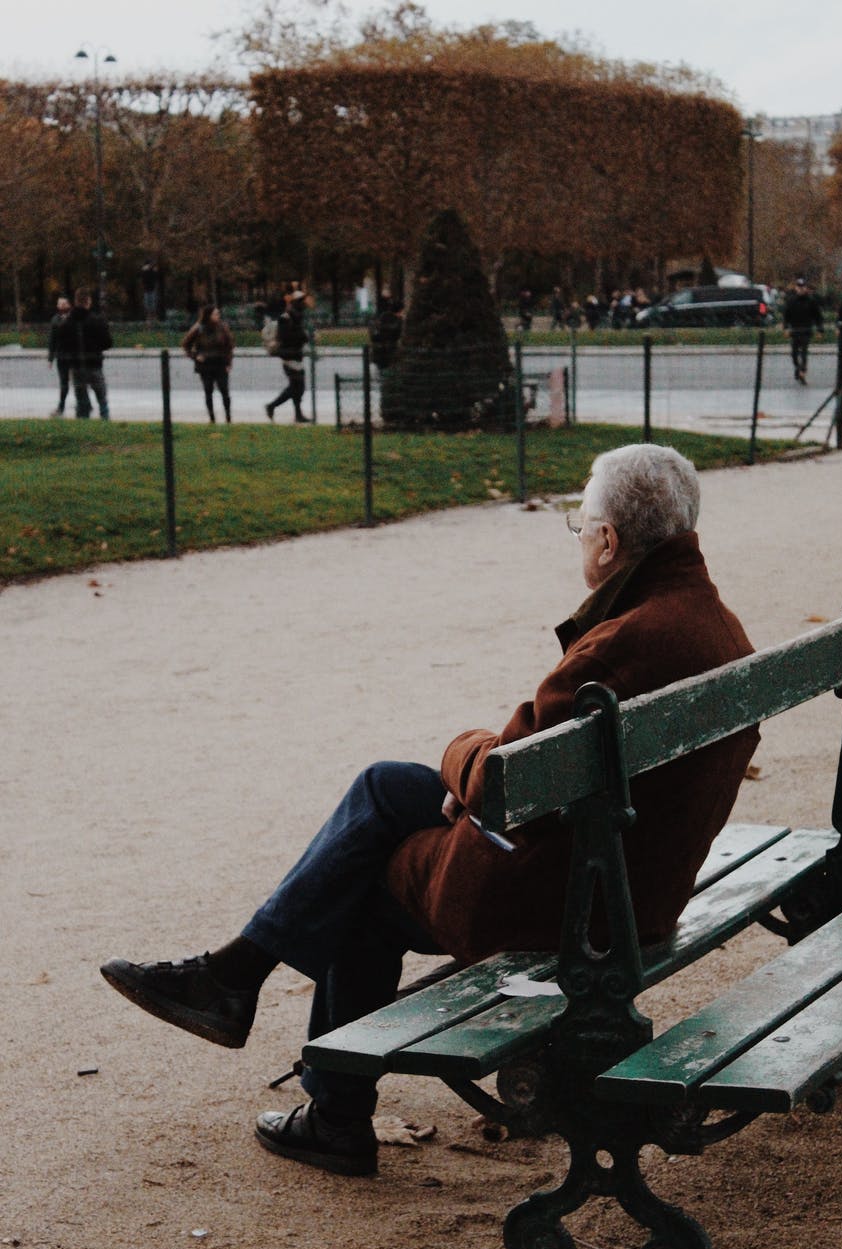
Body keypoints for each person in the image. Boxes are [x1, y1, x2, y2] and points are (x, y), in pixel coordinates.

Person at [100, 444, 759, 1178]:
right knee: (385, 788)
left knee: (364, 874)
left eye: (582, 521)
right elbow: (531, 788)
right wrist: (476, 781)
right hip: (630, 882)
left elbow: (505, 784)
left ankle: (323, 1099)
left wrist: (461, 754)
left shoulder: (618, 649)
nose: (579, 535)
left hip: (571, 908)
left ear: (607, 542)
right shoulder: (710, 623)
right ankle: (234, 978)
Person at [55, 287, 112, 419]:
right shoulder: (97, 320)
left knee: (81, 397)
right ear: (88, 301)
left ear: (75, 301)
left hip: (76, 365)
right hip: (94, 363)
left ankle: (83, 419)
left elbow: (62, 344)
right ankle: (105, 416)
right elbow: (107, 343)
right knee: (101, 395)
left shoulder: (67, 323)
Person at [182, 304, 234, 423]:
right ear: (209, 315)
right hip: (205, 364)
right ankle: (212, 418)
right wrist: (195, 356)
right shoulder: (199, 328)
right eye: (215, 314)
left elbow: (229, 345)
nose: (218, 316)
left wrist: (229, 362)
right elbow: (186, 344)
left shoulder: (223, 327)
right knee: (208, 391)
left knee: (225, 391)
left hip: (220, 362)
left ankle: (228, 417)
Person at [265, 292, 309, 423]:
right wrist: (304, 336)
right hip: (289, 355)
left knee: (297, 387)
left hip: (295, 355)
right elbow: (287, 336)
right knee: (297, 387)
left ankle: (297, 413)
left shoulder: (296, 317)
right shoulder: (287, 318)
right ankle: (272, 406)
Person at [782, 277, 824, 384]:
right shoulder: (791, 301)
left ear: (806, 288)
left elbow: (818, 316)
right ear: (796, 288)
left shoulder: (811, 301)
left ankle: (802, 372)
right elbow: (786, 316)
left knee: (804, 352)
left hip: (806, 330)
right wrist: (786, 328)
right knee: (794, 354)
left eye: (803, 287)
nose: (801, 289)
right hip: (795, 330)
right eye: (799, 287)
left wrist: (820, 330)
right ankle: (798, 367)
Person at [47, 296, 72, 416]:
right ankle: (61, 407)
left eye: (64, 304)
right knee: (64, 383)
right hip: (62, 356)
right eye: (59, 304)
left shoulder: (74, 318)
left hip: (74, 356)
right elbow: (52, 340)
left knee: (80, 381)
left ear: (68, 305)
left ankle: (84, 404)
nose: (61, 306)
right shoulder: (55, 320)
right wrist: (50, 358)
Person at [368, 294, 403, 370]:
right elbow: (397, 334)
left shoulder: (383, 317)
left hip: (379, 352)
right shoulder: (397, 321)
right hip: (388, 353)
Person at [141, 260, 159, 325]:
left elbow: (156, 279)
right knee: (147, 305)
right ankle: (148, 319)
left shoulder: (154, 271)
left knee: (153, 305)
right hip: (147, 290)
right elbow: (142, 277)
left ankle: (153, 318)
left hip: (152, 290)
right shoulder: (145, 271)